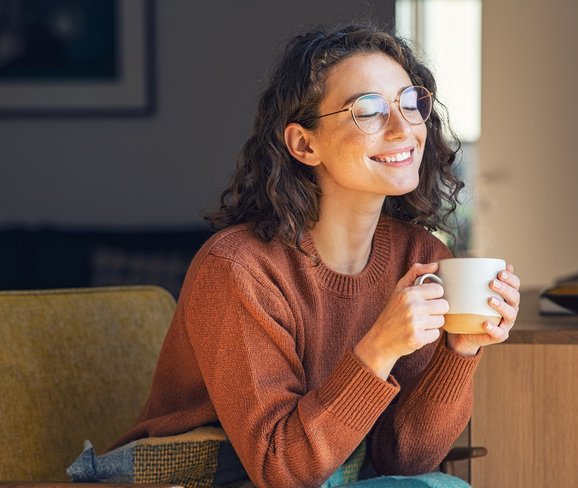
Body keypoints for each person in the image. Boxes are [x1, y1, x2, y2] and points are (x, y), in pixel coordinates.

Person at [110, 23, 521, 487]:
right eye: (368, 110)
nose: (402, 127)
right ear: (305, 145)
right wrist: (379, 347)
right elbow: (279, 470)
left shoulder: (421, 256)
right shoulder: (238, 270)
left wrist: (459, 350)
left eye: (410, 103)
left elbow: (402, 461)